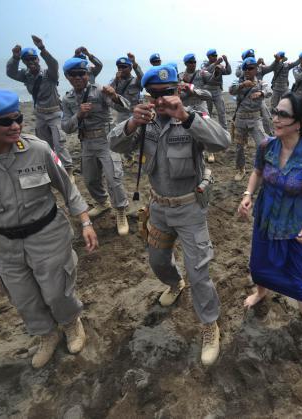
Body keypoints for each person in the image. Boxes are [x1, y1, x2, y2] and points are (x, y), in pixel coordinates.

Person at [0, 88, 98, 368]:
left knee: (58, 290)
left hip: (48, 235)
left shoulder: (37, 149)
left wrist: (85, 222)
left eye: (18, 119)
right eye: (5, 121)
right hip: (4, 243)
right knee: (23, 297)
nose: (15, 126)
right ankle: (46, 334)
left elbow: (67, 188)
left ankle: (71, 323)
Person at [108, 64, 231, 366]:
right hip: (159, 208)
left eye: (169, 92)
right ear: (148, 96)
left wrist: (185, 116)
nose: (162, 100)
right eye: (156, 95)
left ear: (178, 91)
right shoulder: (145, 123)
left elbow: (222, 142)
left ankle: (209, 325)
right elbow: (114, 143)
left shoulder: (193, 118)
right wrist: (130, 124)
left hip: (190, 208)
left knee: (199, 271)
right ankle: (175, 284)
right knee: (158, 261)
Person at [238, 93, 302, 359]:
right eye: (275, 111)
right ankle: (261, 292)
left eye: (282, 114)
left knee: (298, 280)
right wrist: (247, 195)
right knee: (258, 266)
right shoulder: (267, 146)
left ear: (299, 122)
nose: (275, 118)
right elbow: (257, 172)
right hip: (265, 218)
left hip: (294, 227)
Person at [60, 57, 131, 236]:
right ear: (67, 76)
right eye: (73, 74)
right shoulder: (67, 98)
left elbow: (125, 109)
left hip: (106, 140)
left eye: (82, 73)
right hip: (86, 142)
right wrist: (79, 115)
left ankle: (121, 211)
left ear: (87, 74)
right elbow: (66, 127)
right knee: (90, 180)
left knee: (114, 179)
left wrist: (114, 96)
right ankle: (102, 203)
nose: (78, 77)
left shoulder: (100, 91)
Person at [6, 35, 74, 180]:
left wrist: (42, 48)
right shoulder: (26, 75)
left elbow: (53, 63)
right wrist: (15, 57)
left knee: (59, 144)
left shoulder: (49, 74)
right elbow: (10, 73)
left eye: (33, 58)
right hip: (40, 115)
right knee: (45, 146)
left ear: (38, 59)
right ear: (24, 61)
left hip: (55, 113)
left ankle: (68, 170)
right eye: (27, 59)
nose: (31, 62)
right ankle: (51, 169)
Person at [229, 57, 272, 181]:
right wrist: (242, 85)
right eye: (245, 69)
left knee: (263, 144)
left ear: (256, 69)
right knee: (239, 147)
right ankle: (240, 169)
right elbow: (231, 91)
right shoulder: (237, 82)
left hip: (255, 119)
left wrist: (261, 93)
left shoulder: (260, 83)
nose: (248, 71)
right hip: (241, 119)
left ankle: (265, 169)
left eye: (251, 68)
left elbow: (269, 91)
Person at [109, 53, 144, 167]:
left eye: (124, 67)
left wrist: (135, 63)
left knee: (140, 135)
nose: (121, 69)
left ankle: (140, 157)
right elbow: (108, 92)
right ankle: (129, 158)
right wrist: (116, 80)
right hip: (122, 113)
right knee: (125, 135)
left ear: (130, 68)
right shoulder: (115, 80)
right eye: (119, 67)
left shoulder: (136, 81)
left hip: (136, 111)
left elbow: (143, 79)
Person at [201, 49, 232, 133]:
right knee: (207, 112)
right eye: (213, 56)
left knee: (221, 111)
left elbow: (228, 72)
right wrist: (216, 63)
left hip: (217, 90)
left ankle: (224, 131)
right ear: (208, 57)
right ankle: (208, 130)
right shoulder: (205, 65)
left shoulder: (219, 65)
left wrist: (226, 61)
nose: (215, 57)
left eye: (216, 55)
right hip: (207, 90)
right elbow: (206, 71)